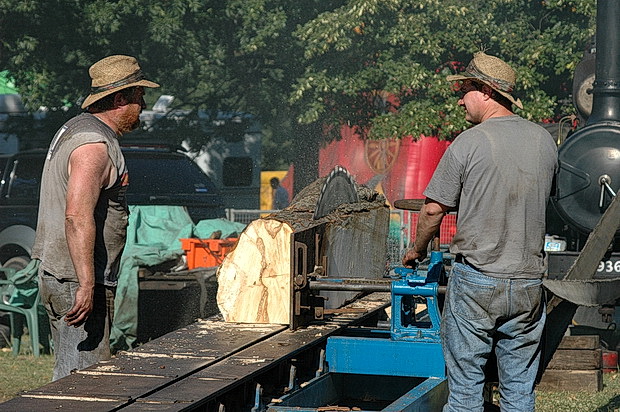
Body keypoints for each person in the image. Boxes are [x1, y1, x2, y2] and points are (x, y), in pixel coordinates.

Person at [402, 52, 557, 411]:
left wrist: (417, 249)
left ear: (486, 92)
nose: (460, 99)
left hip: (477, 283)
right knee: (519, 390)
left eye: (466, 89)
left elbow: (432, 209)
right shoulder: (544, 141)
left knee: (467, 390)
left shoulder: (468, 142)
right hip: (529, 283)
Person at [32, 55, 159, 380]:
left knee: (69, 378)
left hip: (62, 275)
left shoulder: (74, 129)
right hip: (77, 281)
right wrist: (87, 285)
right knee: (83, 386)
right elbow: (76, 216)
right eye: (139, 96)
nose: (143, 104)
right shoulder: (94, 146)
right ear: (120, 99)